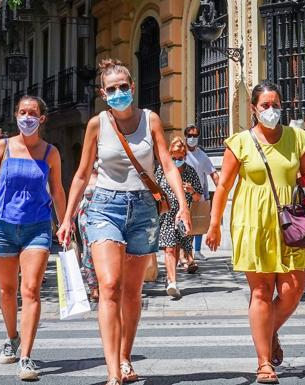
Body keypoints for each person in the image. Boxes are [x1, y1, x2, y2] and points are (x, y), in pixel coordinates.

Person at [57, 58, 191, 385]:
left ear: (132, 88)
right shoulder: (96, 124)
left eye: (123, 87)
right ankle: (113, 373)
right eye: (111, 89)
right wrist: (66, 218)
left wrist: (182, 206)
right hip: (104, 207)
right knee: (110, 286)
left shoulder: (151, 119)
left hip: (144, 210)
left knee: (132, 292)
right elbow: (81, 173)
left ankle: (125, 355)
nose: (118, 93)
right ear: (104, 93)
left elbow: (168, 165)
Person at [206, 81, 305, 383]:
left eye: (275, 104)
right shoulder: (239, 142)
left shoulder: (298, 138)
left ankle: (269, 330)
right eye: (265, 105)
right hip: (252, 223)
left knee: (293, 290)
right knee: (261, 292)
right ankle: (263, 363)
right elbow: (224, 186)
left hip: (290, 222)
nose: (271, 110)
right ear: (254, 109)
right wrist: (214, 224)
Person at [0, 96, 66, 381]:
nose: (27, 117)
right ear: (16, 115)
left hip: (37, 228)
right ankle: (12, 337)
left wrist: (65, 222)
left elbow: (57, 190)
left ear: (42, 118)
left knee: (31, 290)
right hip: (2, 227)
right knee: (7, 292)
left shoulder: (50, 152)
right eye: (23, 112)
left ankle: (27, 357)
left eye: (33, 113)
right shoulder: (3, 147)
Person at [156, 136, 203, 298]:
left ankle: (171, 276)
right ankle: (172, 282)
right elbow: (155, 190)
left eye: (180, 158)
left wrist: (191, 191)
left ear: (185, 156)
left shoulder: (190, 172)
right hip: (167, 216)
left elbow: (198, 198)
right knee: (169, 247)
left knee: (177, 248)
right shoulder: (162, 170)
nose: (177, 160)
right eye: (173, 157)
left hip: (184, 217)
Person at [183, 124, 219, 261]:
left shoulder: (202, 155)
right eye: (190, 135)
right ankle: (184, 252)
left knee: (198, 222)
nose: (192, 138)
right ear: (185, 136)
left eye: (195, 136)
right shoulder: (180, 152)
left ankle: (197, 251)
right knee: (183, 223)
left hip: (198, 194)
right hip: (182, 194)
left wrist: (222, 189)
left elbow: (213, 174)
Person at [77, 166, 99, 302]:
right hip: (85, 217)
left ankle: (104, 284)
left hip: (103, 216)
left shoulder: (108, 176)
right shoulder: (85, 175)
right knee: (88, 252)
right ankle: (93, 287)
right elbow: (78, 198)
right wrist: (68, 220)